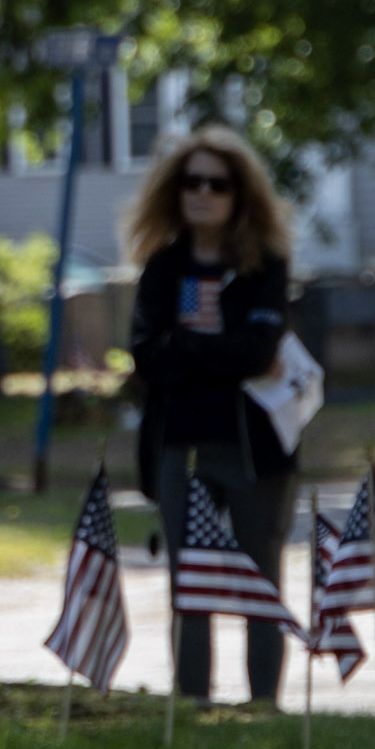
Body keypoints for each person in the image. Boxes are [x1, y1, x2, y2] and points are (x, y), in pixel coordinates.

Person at [128, 125, 297, 706]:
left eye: (217, 183)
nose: (203, 193)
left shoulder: (264, 269)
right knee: (190, 586)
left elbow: (258, 351)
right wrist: (223, 354)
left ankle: (263, 709)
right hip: (180, 448)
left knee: (261, 581)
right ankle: (193, 707)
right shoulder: (162, 269)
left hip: (255, 453)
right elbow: (147, 356)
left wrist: (188, 349)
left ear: (239, 193)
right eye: (191, 181)